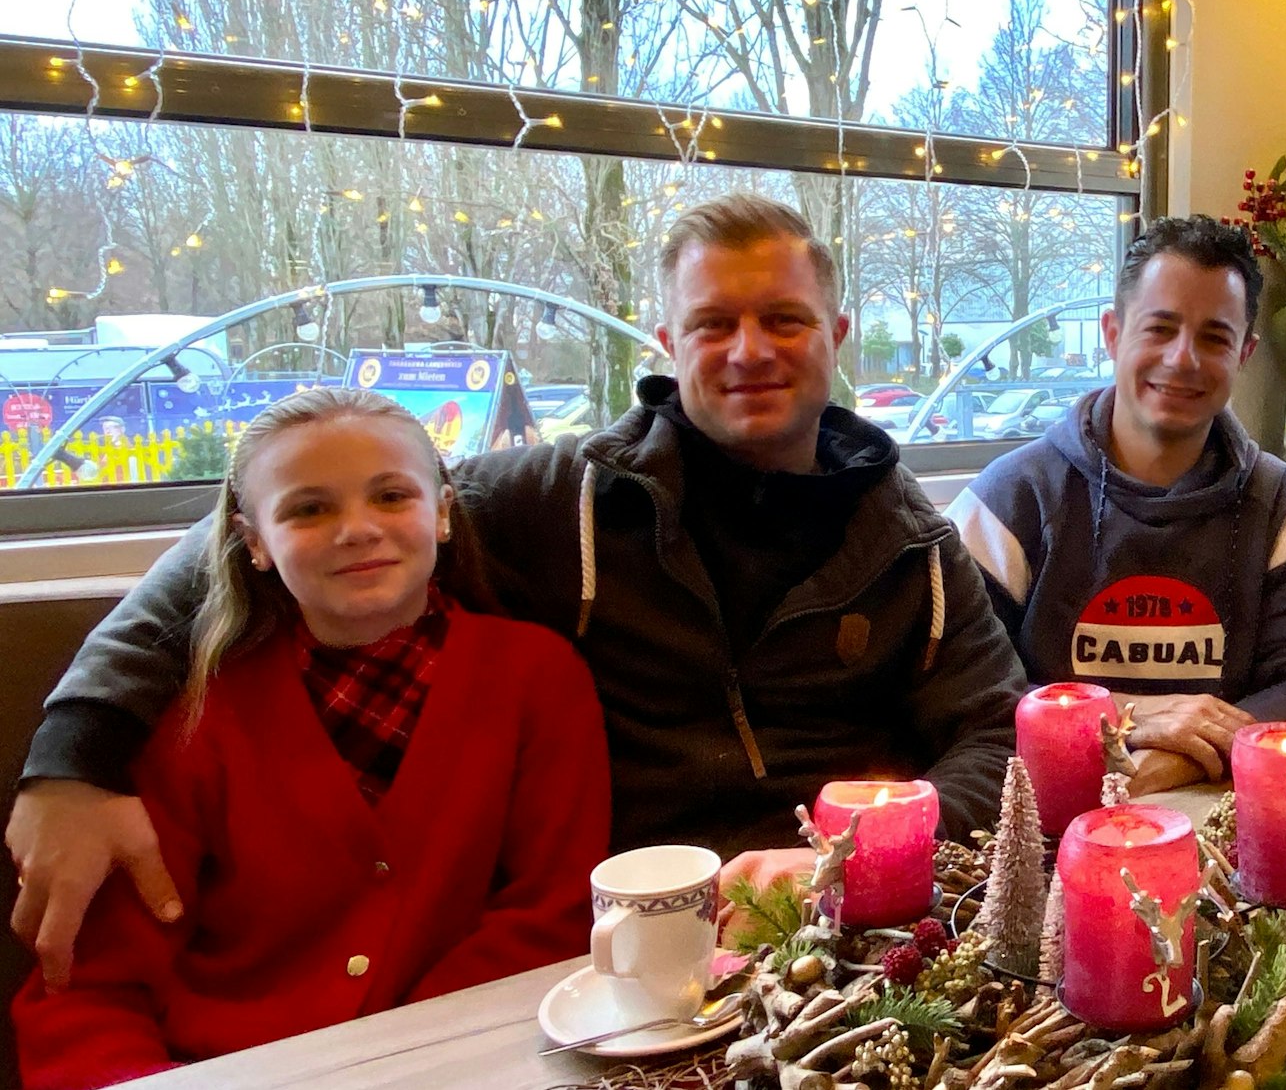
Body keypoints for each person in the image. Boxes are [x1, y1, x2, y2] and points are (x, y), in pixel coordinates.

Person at [10, 194, 1024, 990]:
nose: (749, 350)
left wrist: (863, 851)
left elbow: (995, 736)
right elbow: (258, 539)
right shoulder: (555, 500)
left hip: (855, 935)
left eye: (784, 320)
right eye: (713, 322)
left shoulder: (912, 540)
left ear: (837, 332)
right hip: (627, 953)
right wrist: (72, 757)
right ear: (666, 344)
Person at [12, 389, 609, 1087]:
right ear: (255, 542)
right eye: (309, 509)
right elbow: (89, 983)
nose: (357, 529)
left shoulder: (537, 677)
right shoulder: (191, 716)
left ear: (444, 513)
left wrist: (407, 1064)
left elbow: (551, 912)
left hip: (462, 1060)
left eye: (391, 496)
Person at [948, 216, 1286, 794]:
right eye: (1160, 328)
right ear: (1113, 333)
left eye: (1214, 338)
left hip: (1220, 809)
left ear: (1245, 353)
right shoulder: (1006, 502)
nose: (1183, 358)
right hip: (1046, 812)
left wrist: (1184, 759)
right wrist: (1129, 719)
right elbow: (964, 694)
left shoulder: (1285, 507)